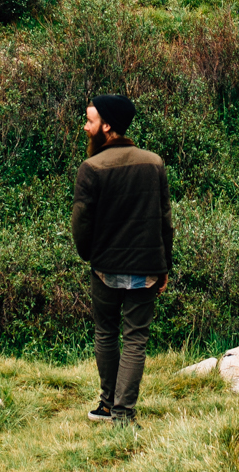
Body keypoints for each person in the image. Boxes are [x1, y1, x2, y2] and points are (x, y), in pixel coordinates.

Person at [72, 92, 171, 425]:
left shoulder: (91, 168)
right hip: (147, 268)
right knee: (135, 339)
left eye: (90, 121)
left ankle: (107, 404)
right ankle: (123, 414)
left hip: (105, 269)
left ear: (108, 126)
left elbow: (81, 224)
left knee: (105, 333)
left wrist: (90, 256)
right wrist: (165, 265)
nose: (86, 127)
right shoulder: (153, 162)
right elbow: (164, 218)